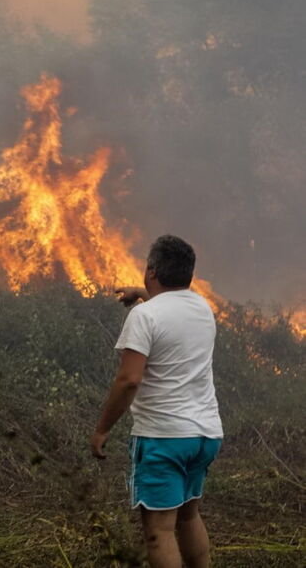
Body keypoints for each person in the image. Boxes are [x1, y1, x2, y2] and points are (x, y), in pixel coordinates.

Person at [91, 235, 223, 568]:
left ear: (151, 270)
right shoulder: (203, 309)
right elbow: (172, 312)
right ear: (188, 274)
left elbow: (129, 380)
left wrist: (102, 429)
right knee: (189, 517)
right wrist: (144, 295)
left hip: (165, 437)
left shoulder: (145, 317)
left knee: (159, 529)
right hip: (204, 435)